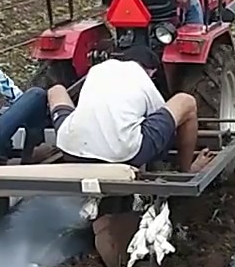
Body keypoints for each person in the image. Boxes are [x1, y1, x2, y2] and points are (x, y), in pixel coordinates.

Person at [46, 46, 212, 173]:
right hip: (123, 155)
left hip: (70, 149)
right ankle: (187, 170)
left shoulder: (97, 69)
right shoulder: (142, 77)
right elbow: (162, 120)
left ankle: (32, 147)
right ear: (151, 71)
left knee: (56, 91)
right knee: (187, 102)